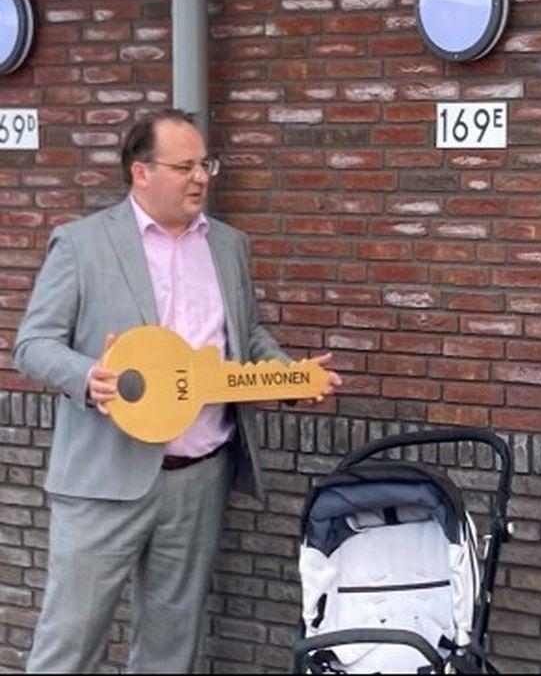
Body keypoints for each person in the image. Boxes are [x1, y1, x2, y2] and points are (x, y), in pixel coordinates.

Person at [13, 109, 343, 673]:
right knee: (70, 646)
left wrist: (289, 375)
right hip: (104, 481)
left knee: (171, 650)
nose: (201, 177)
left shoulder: (228, 246)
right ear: (141, 173)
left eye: (206, 164)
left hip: (198, 478)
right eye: (185, 166)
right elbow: (33, 343)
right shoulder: (82, 244)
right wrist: (88, 376)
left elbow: (248, 334)